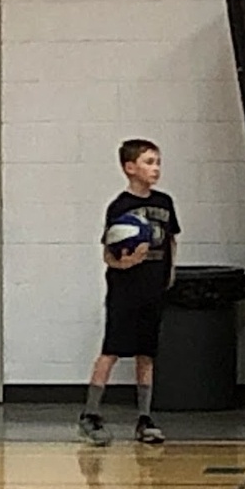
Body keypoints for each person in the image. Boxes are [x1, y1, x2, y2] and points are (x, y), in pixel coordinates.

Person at [78, 139, 180, 446]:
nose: (156, 168)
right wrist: (126, 263)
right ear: (130, 168)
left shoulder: (164, 203)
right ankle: (90, 414)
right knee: (111, 350)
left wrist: (170, 273)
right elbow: (108, 254)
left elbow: (171, 241)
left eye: (158, 162)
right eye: (149, 162)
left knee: (146, 353)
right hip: (125, 290)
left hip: (154, 288)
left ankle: (145, 418)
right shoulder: (119, 207)